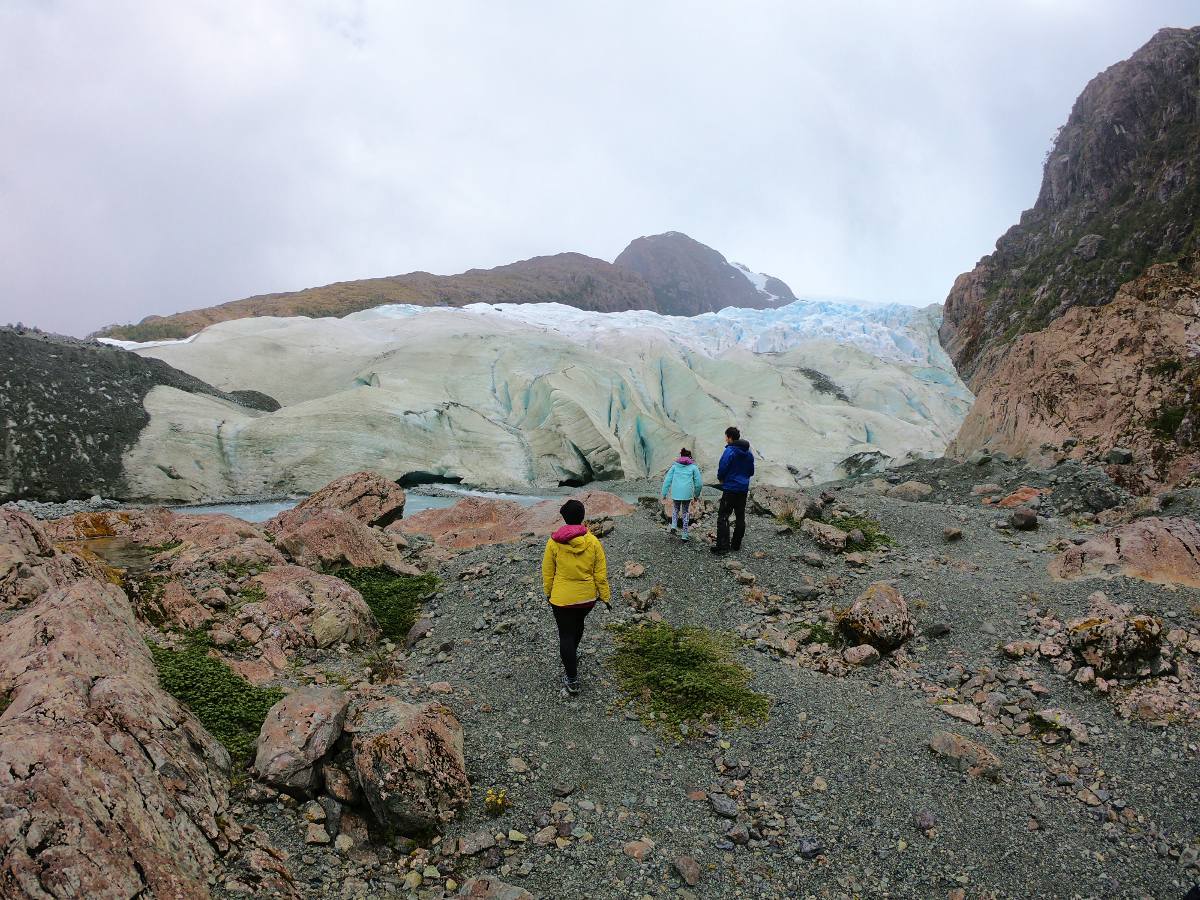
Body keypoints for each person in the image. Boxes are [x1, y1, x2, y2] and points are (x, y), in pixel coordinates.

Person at [542, 498, 611, 696]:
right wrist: (605, 597)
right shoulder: (592, 541)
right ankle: (571, 655)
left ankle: (571, 678)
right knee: (578, 626)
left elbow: (548, 572)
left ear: (564, 518)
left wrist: (548, 593)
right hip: (586, 598)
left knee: (565, 634)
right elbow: (600, 573)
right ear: (582, 517)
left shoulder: (554, 541)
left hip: (562, 598)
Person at [712, 426, 754, 554]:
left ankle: (723, 547)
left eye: (726, 437)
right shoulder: (749, 453)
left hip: (730, 489)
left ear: (730, 437)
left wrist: (721, 478)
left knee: (723, 516)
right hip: (743, 490)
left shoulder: (730, 451)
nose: (725, 440)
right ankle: (736, 545)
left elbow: (723, 467)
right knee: (740, 516)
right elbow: (751, 472)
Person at [660, 447, 703, 541]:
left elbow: (667, 480)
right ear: (690, 457)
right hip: (687, 493)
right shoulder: (693, 467)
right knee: (685, 512)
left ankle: (674, 526)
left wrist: (664, 494)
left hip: (676, 492)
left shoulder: (675, 466)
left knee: (675, 508)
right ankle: (684, 534)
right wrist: (696, 495)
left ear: (681, 456)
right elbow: (699, 483)